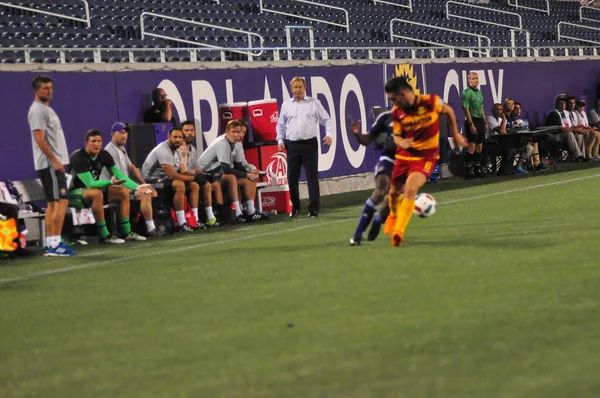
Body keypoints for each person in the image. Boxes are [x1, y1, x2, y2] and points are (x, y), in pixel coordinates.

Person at [382, 76, 468, 247]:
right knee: (393, 192)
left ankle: (398, 231)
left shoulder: (430, 102)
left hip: (425, 157)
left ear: (403, 94)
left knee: (410, 188)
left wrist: (456, 134)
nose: (392, 103)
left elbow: (449, 111)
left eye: (393, 99)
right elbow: (397, 137)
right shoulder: (397, 112)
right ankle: (393, 214)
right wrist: (403, 142)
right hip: (404, 156)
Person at [69, 129, 149, 243]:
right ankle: (105, 236)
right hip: (73, 193)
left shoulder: (104, 155)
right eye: (93, 141)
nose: (96, 144)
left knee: (122, 191)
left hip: (91, 192)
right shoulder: (78, 157)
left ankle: (127, 232)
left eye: (99, 141)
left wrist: (137, 187)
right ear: (86, 143)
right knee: (97, 194)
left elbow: (120, 176)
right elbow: (90, 184)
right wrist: (110, 182)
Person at [27, 75, 76, 256]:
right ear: (36, 90)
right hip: (50, 164)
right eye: (44, 88)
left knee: (53, 204)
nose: (48, 91)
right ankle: (55, 244)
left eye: (50, 88)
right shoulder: (38, 111)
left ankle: (52, 243)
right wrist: (55, 160)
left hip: (53, 164)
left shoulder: (46, 109)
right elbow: (39, 138)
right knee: (59, 202)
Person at [276, 76, 333, 218]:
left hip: (309, 144)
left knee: (311, 178)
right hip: (292, 144)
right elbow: (280, 124)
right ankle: (295, 207)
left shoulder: (314, 103)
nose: (297, 90)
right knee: (292, 177)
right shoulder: (286, 105)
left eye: (300, 87)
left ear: (305, 88)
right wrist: (280, 140)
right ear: (291, 89)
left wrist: (329, 134)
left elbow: (326, 120)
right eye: (295, 87)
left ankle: (314, 208)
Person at [102, 122, 160, 236]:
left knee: (151, 192)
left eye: (125, 133)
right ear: (113, 134)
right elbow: (119, 177)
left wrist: (144, 183)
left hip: (124, 186)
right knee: (145, 194)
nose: (124, 135)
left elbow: (131, 167)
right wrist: (137, 188)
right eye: (121, 133)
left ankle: (141, 224)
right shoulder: (110, 151)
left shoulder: (121, 148)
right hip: (112, 188)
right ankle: (150, 228)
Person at [196, 120, 259, 223]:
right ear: (227, 132)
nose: (236, 134)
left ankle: (250, 212)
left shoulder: (236, 143)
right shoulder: (222, 143)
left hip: (218, 172)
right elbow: (226, 168)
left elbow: (238, 164)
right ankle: (238, 214)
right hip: (206, 173)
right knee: (231, 177)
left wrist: (249, 174)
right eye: (233, 132)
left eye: (238, 132)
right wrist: (247, 174)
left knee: (247, 180)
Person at [347, 109, 394, 246]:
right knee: (380, 191)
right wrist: (357, 134)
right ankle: (357, 235)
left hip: (406, 161)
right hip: (388, 158)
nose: (394, 101)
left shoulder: (416, 117)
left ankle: (379, 219)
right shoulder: (386, 117)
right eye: (392, 98)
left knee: (391, 200)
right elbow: (367, 140)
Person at [141, 127, 200, 232]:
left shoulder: (177, 150)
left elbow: (182, 171)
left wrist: (196, 177)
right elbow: (172, 175)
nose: (177, 140)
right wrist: (192, 177)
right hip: (152, 181)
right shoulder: (163, 150)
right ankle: (182, 223)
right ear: (168, 137)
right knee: (180, 185)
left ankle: (195, 220)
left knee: (194, 185)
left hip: (165, 179)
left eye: (180, 137)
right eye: (175, 137)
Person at [179, 120, 222, 226]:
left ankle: (212, 216)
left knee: (211, 184)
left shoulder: (192, 149)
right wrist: (195, 176)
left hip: (189, 176)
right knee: (195, 185)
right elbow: (182, 170)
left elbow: (194, 167)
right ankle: (195, 219)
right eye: (186, 130)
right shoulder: (179, 149)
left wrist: (204, 174)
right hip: (180, 178)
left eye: (192, 130)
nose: (189, 133)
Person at [233, 121, 269, 220]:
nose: (241, 135)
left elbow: (243, 162)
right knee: (248, 178)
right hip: (226, 174)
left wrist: (252, 168)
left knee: (253, 176)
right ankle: (248, 210)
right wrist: (248, 172)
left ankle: (251, 210)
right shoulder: (228, 143)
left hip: (235, 172)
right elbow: (232, 165)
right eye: (240, 132)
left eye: (244, 132)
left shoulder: (239, 144)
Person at [461, 72, 488, 179]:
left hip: (479, 120)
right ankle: (469, 171)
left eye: (477, 78)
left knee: (479, 146)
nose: (475, 80)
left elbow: (481, 108)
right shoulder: (466, 93)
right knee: (471, 146)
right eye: (473, 78)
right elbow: (465, 108)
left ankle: (477, 169)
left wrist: (484, 121)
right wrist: (471, 123)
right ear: (469, 80)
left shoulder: (479, 92)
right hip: (472, 120)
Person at [543, 95, 585, 161]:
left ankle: (582, 156)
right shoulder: (554, 113)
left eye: (564, 103)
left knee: (579, 135)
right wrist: (575, 129)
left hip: (561, 136)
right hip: (551, 136)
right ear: (557, 104)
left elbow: (569, 126)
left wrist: (578, 129)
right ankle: (578, 156)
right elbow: (562, 129)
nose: (563, 105)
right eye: (561, 103)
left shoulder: (565, 113)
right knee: (569, 134)